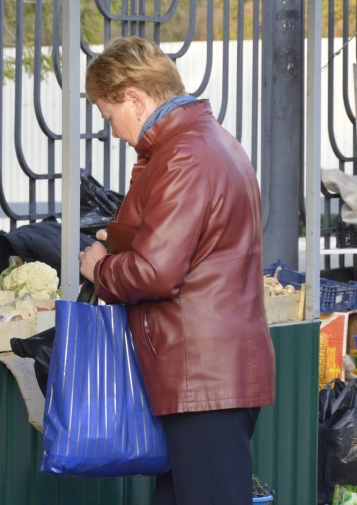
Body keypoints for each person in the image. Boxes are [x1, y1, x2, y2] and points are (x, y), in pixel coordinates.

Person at [76, 38, 274, 505]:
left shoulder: (184, 154)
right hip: (209, 371)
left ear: (135, 98)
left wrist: (100, 266)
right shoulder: (210, 140)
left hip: (202, 375)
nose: (116, 132)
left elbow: (154, 272)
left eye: (110, 116)